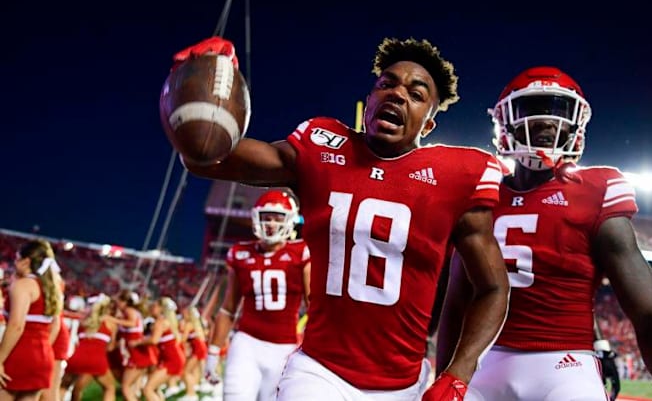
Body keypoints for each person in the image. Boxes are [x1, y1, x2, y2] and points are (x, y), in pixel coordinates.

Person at [170, 35, 510, 400]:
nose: (397, 94)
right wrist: (194, 90)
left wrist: (459, 373)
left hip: (403, 384)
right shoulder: (323, 146)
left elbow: (493, 288)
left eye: (416, 94)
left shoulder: (458, 174)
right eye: (387, 84)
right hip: (319, 371)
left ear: (428, 125)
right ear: (370, 100)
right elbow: (207, 157)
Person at [436, 66, 652, 400]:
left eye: (557, 110)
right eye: (534, 108)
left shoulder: (595, 190)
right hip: (483, 360)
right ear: (504, 122)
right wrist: (444, 377)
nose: (546, 121)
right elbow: (456, 304)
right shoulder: (481, 194)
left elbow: (648, 314)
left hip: (564, 363)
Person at [204, 190, 311, 401]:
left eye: (277, 217)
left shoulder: (300, 253)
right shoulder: (239, 253)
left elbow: (313, 307)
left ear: (289, 220)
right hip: (247, 343)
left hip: (285, 348)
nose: (271, 223)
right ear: (256, 218)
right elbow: (228, 308)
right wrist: (213, 351)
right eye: (266, 217)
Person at [0, 239, 63, 401]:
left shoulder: (23, 285)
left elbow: (16, 325)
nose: (14, 262)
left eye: (16, 258)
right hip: (43, 355)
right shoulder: (51, 287)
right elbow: (55, 325)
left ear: (26, 261)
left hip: (19, 354)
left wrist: (0, 359)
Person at [61, 293, 118, 401]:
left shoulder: (84, 322)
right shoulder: (111, 323)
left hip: (77, 357)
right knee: (109, 388)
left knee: (63, 387)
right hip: (97, 360)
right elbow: (110, 347)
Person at [129, 297, 185, 401]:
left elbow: (154, 340)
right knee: (153, 389)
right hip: (172, 358)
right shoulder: (166, 320)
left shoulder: (160, 321)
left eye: (154, 306)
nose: (151, 308)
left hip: (172, 360)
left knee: (147, 389)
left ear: (161, 308)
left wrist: (137, 342)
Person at [593, 317, 620, 401]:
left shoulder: (602, 354)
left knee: (603, 385)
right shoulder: (607, 355)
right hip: (605, 365)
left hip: (603, 365)